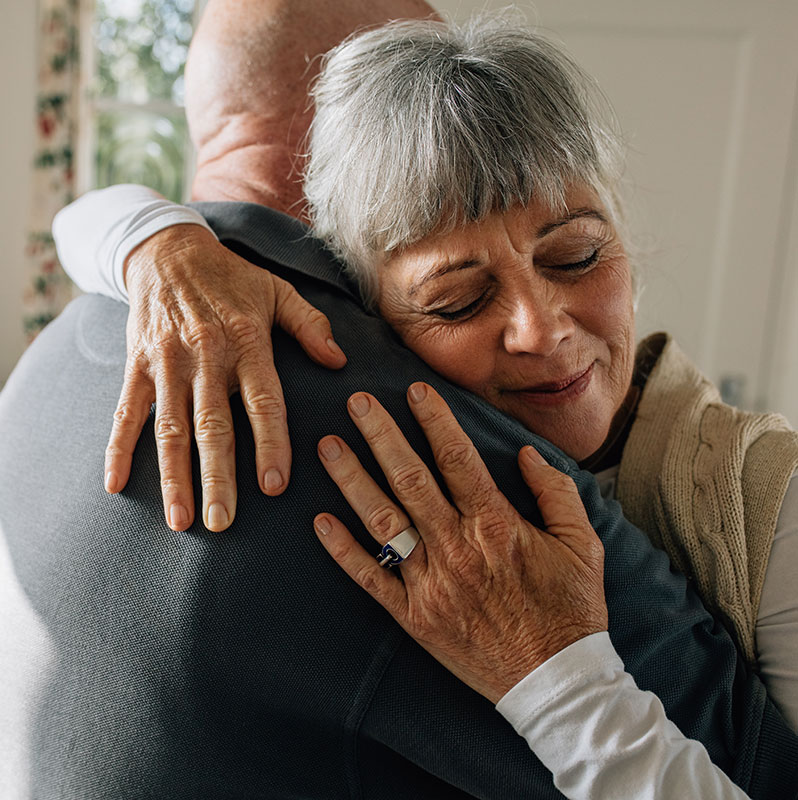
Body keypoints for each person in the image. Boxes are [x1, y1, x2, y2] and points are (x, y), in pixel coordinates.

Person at [43, 3, 798, 799]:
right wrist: (157, 243)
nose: (541, 330)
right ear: (362, 315)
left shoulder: (771, 503)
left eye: (577, 255)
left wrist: (561, 681)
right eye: (460, 301)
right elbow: (84, 220)